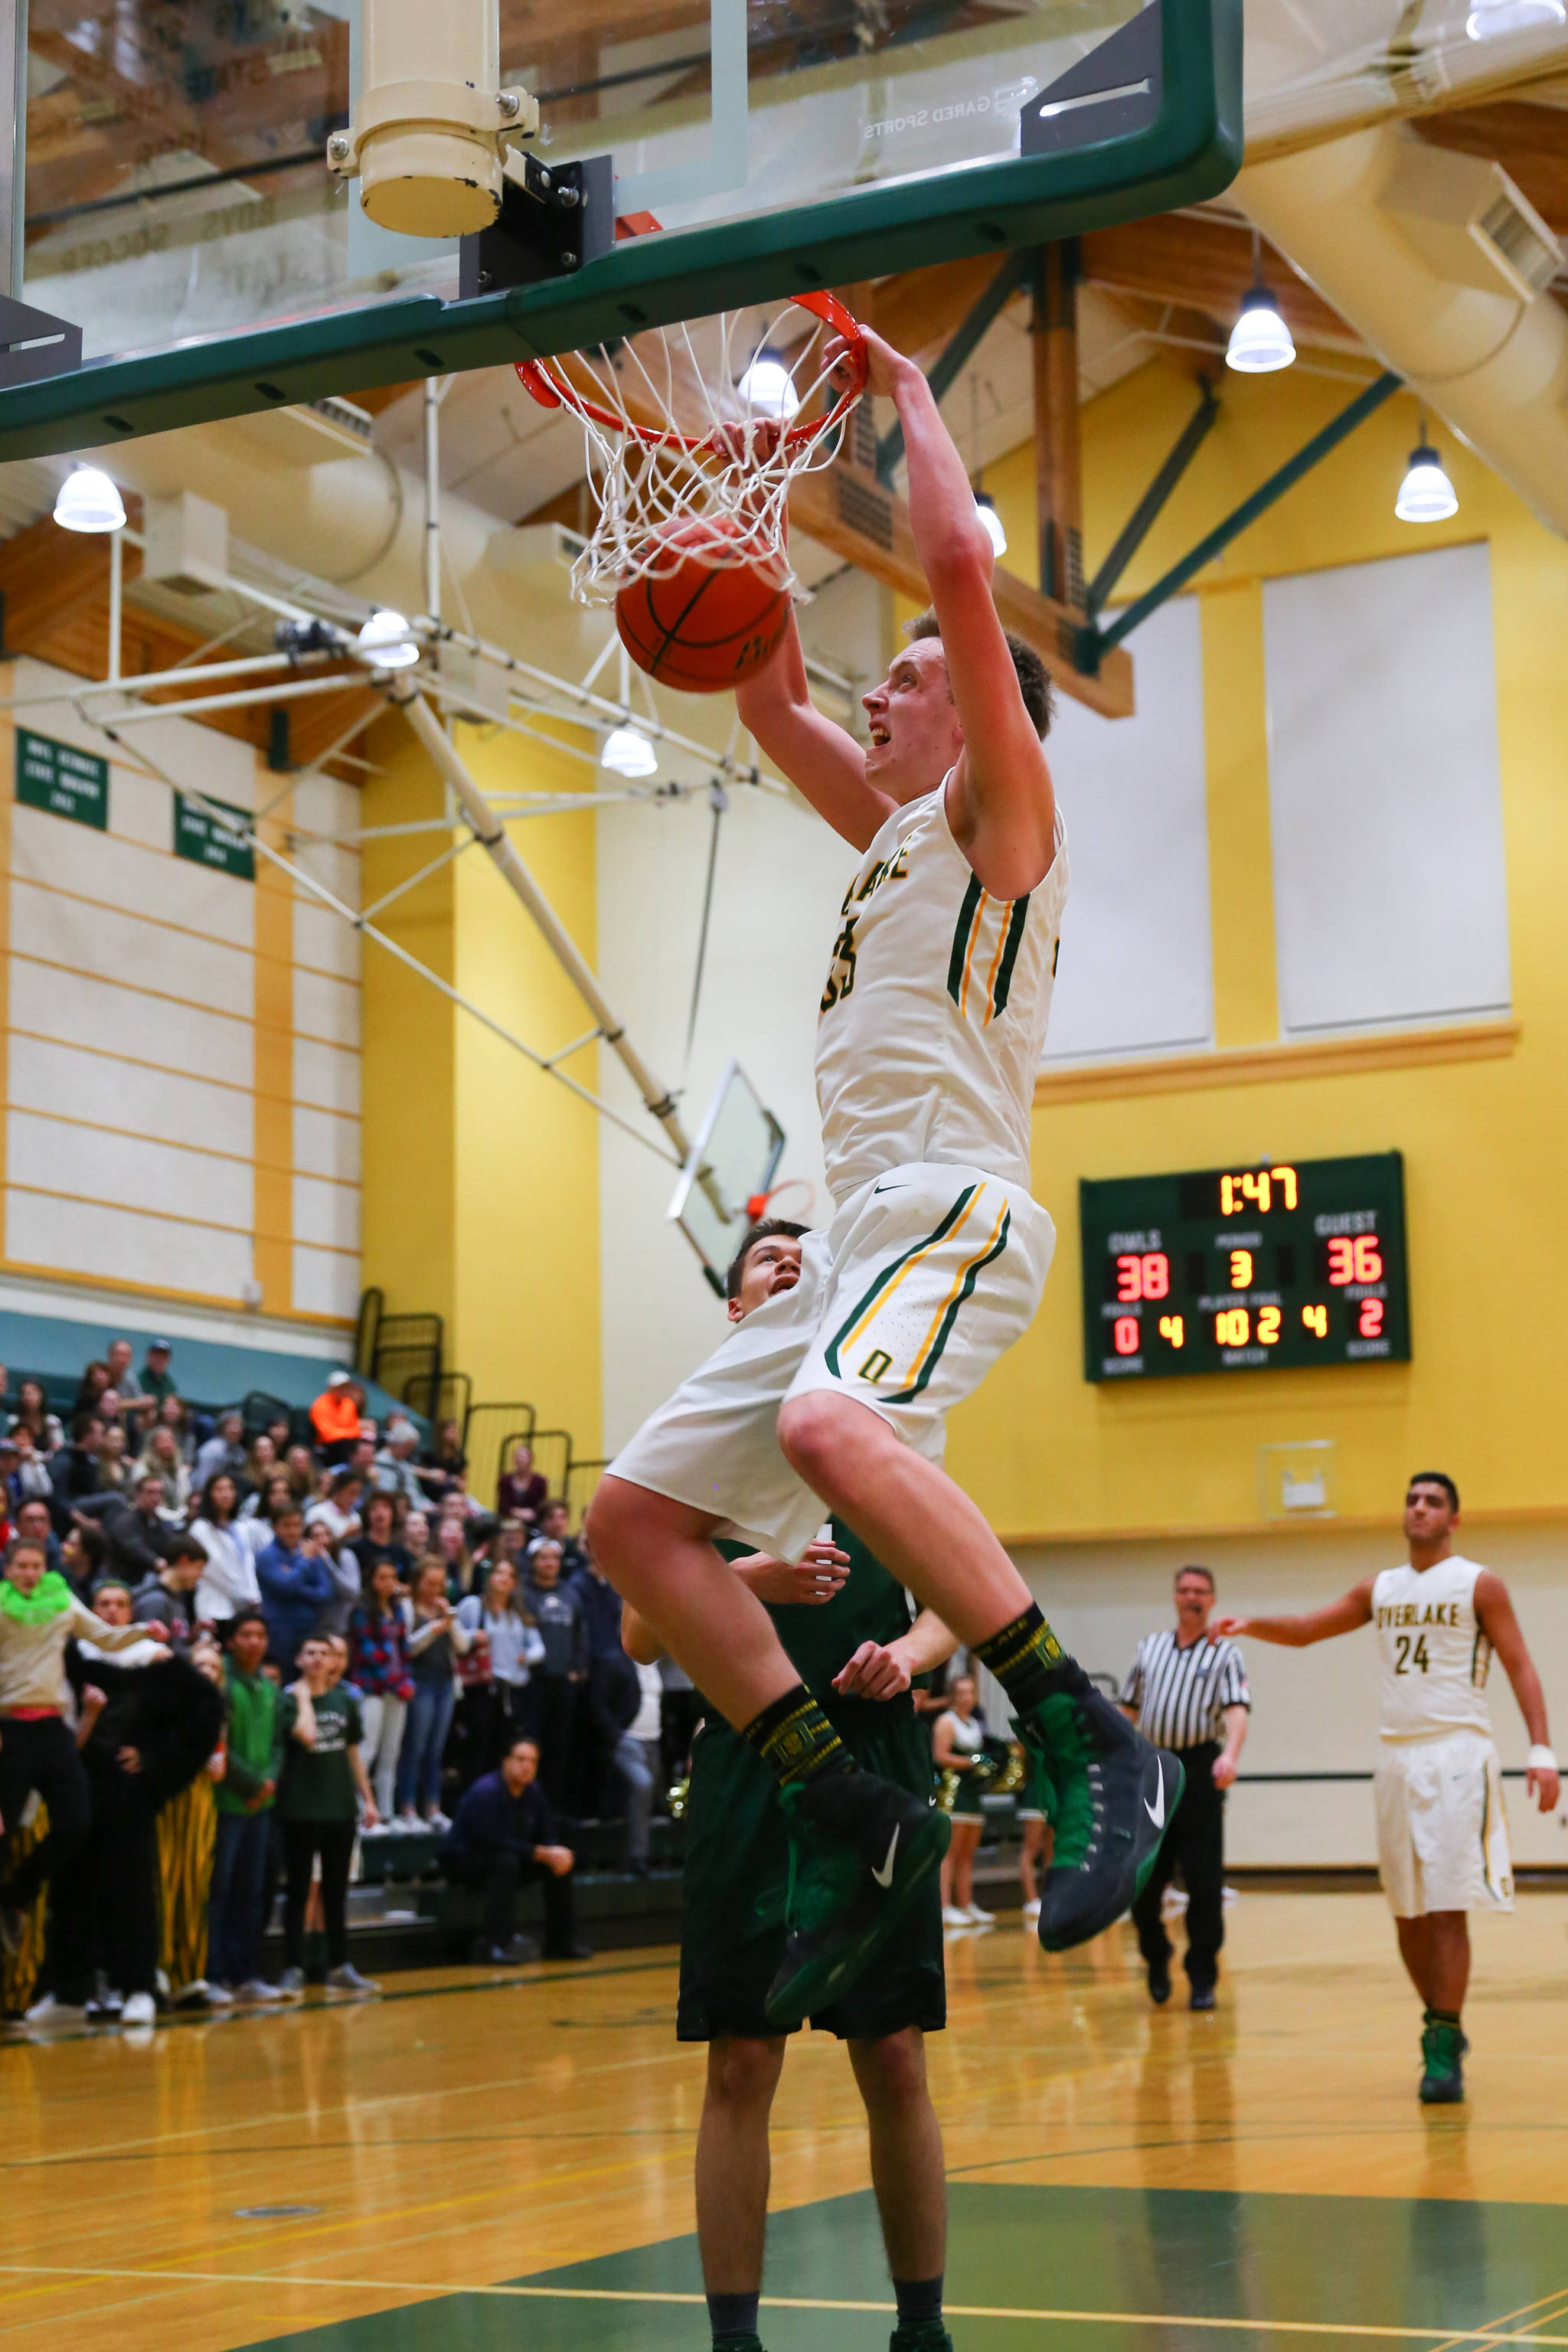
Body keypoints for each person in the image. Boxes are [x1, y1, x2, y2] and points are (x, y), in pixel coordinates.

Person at [586, 323, 1181, 2020]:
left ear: (974, 714)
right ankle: (850, 1805)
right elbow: (766, 695)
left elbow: (958, 578)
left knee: (827, 1432)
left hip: (954, 1208)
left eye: (907, 680)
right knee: (631, 1521)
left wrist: (909, 401)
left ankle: (1086, 1730)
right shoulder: (890, 845)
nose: (877, 693)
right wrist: (733, 491)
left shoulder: (1006, 823)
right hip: (856, 1238)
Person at [622, 1219, 959, 2352]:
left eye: (810, 1256)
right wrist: (749, 1580)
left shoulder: (881, 1423)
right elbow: (636, 1632)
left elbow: (954, 1599)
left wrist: (906, 1656)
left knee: (894, 2053)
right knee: (741, 2058)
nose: (793, 1262)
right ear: (735, 1306)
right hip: (750, 1765)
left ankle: (921, 2331)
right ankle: (734, 2341)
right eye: (770, 1257)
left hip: (875, 1758)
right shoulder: (697, 1438)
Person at [1213, 1472, 1559, 2102]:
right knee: (1407, 1913)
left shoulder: (1479, 1583)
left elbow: (1520, 1665)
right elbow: (1307, 1628)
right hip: (1396, 1757)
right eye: (1412, 1500)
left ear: (1454, 1519)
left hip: (1458, 1750)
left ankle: (1441, 2042)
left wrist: (1541, 1749)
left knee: (1448, 1906)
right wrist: (1249, 1623)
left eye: (1433, 1502)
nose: (1419, 1508)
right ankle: (1442, 2022)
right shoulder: (1381, 1588)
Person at [53, 1607, 223, 2029]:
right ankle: (69, 1994)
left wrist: (156, 1761)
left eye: (119, 1603)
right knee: (70, 1892)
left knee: (131, 1893)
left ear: (131, 1613)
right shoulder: (70, 1656)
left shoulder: (156, 1661)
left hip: (127, 1798)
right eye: (103, 1604)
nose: (111, 1610)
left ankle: (139, 1989)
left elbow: (205, 1716)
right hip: (75, 1793)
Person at [0, 1536, 167, 1954]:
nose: (30, 1573)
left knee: (75, 1822)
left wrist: (142, 1631)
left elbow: (105, 1637)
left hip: (54, 1728)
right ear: (8, 1569)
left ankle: (16, 1897)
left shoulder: (62, 1602)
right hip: (11, 1728)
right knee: (3, 1831)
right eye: (22, 1566)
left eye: (36, 1566)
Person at [1122, 1566, 1250, 2012]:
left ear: (1212, 1600)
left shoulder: (1225, 1653)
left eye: (1200, 1591)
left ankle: (1202, 1976)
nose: (1191, 1597)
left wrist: (1230, 1755)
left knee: (1203, 1880)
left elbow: (1237, 1709)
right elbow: (1128, 1708)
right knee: (1143, 1878)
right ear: (1175, 1597)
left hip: (1199, 1768)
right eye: (1184, 1590)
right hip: (1153, 1766)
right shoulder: (1149, 1648)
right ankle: (1156, 1955)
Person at [275, 1634, 379, 1994]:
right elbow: (305, 1735)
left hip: (340, 1809)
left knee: (336, 1893)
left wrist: (368, 1800)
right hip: (300, 1810)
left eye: (325, 1653)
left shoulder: (345, 1701)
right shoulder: (287, 1701)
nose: (319, 1659)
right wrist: (305, 1696)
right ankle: (293, 1967)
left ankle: (339, 1965)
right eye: (311, 1653)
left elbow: (352, 1753)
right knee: (299, 1891)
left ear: (334, 1660)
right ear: (299, 1659)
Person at [439, 1734, 589, 1964]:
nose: (527, 1766)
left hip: (511, 1857)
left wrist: (554, 1851)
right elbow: (490, 1841)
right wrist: (538, 1853)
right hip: (465, 1862)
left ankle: (562, 1942)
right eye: (521, 1759)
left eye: (532, 1761)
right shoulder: (485, 1792)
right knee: (506, 1863)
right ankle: (495, 1945)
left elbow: (546, 1832)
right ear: (506, 1762)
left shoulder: (534, 1792)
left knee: (556, 1865)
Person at [208, 1609, 284, 2001]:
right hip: (226, 1802)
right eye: (246, 1635)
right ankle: (213, 1974)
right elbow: (216, 1741)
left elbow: (277, 1743)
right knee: (218, 1891)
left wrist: (268, 1779)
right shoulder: (220, 1679)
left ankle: (246, 1974)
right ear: (231, 1641)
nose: (254, 1642)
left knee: (250, 1892)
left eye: (260, 1635)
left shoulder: (268, 1686)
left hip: (260, 1806)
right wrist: (252, 1783)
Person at [394, 1556, 471, 1831]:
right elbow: (407, 1647)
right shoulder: (406, 1608)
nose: (434, 1589)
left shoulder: (444, 1609)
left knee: (435, 1751)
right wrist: (434, 1628)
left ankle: (433, 1808)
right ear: (417, 1582)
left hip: (445, 1684)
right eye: (429, 1583)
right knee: (414, 1747)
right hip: (420, 1682)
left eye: (439, 1584)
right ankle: (407, 1807)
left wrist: (450, 1618)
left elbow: (463, 1646)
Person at [455, 1560, 544, 1786]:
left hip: (511, 1690)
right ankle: (473, 1795)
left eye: (510, 1575)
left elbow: (539, 1648)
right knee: (477, 1746)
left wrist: (527, 1656)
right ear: (490, 1578)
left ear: (514, 1583)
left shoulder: (519, 1614)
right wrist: (473, 1636)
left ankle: (498, 1796)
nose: (504, 1578)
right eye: (499, 1573)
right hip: (481, 1688)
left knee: (503, 1748)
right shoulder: (473, 1605)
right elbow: (455, 1636)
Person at [520, 1537, 587, 1818]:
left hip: (563, 1682)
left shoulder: (570, 1593)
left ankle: (554, 1810)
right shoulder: (522, 1594)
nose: (549, 1563)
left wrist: (579, 1668)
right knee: (531, 1745)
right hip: (532, 1683)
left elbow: (581, 1633)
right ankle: (526, 1808)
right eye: (543, 1558)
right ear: (533, 1562)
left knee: (561, 1748)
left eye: (554, 1558)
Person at [346, 1558, 416, 1824]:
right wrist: (397, 1684)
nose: (388, 1583)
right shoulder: (362, 1610)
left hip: (398, 1689)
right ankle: (360, 1810)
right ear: (372, 1580)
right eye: (382, 1577)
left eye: (392, 1577)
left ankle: (386, 1813)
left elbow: (404, 1649)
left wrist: (407, 1681)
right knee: (367, 1749)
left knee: (391, 1752)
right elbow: (369, 1653)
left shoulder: (398, 1609)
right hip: (371, 1688)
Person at [933, 1673, 995, 1928]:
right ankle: (945, 1907)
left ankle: (966, 1904)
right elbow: (940, 1756)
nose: (967, 1697)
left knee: (968, 1853)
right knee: (950, 1852)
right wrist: (972, 1762)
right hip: (953, 1794)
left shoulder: (974, 1723)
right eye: (962, 1693)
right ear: (952, 1696)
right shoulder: (946, 1722)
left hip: (972, 1793)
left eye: (971, 1692)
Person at [255, 1503, 335, 1673]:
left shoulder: (310, 1551)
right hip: (280, 1632)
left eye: (297, 1525)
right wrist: (304, 1562)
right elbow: (286, 1587)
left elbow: (325, 1593)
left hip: (310, 1628)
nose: (292, 1531)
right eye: (286, 1526)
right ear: (275, 1527)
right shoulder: (267, 1556)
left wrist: (296, 1584)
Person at [76, 1469, 175, 1586]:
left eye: (159, 1493)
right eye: (150, 1492)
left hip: (145, 1581)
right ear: (138, 1494)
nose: (155, 1497)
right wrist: (157, 1562)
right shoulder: (125, 1520)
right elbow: (134, 1547)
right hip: (120, 1582)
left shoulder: (158, 1522)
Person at [191, 1471, 260, 1628]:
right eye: (219, 1489)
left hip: (244, 1606)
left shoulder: (241, 1528)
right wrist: (245, 1595)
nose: (226, 1494)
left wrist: (254, 1594)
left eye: (230, 1489)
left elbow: (248, 1564)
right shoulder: (200, 1528)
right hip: (215, 1605)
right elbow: (215, 1567)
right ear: (209, 1495)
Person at [130, 1534, 210, 1652]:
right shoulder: (154, 1600)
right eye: (199, 1568)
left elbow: (175, 1644)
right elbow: (150, 1653)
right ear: (184, 1561)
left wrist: (194, 1636)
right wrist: (192, 1653)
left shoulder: (176, 1598)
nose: (201, 1575)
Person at [309, 1370, 365, 1463]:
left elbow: (357, 1431)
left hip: (348, 1443)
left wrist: (343, 1434)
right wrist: (347, 1433)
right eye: (340, 1387)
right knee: (344, 1445)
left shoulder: (349, 1404)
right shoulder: (320, 1404)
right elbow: (326, 1435)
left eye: (346, 1387)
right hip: (328, 1446)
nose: (344, 1390)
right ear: (331, 1388)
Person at [192, 1410, 247, 1492]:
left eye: (239, 1425)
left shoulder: (240, 1451)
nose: (235, 1429)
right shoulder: (212, 1449)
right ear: (222, 1428)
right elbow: (203, 1481)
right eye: (231, 1425)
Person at [497, 1440, 547, 1527]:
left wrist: (530, 1514)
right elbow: (503, 1504)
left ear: (531, 1460)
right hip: (508, 1521)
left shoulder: (540, 1481)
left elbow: (542, 1505)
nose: (520, 1460)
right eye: (518, 1457)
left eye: (524, 1457)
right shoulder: (505, 1480)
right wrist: (516, 1512)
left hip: (532, 1523)